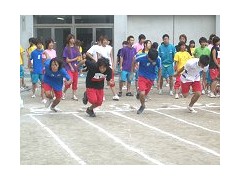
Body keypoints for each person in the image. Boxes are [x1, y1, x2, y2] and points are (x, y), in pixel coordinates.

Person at [134, 48, 161, 114]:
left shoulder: (158, 59)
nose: (152, 61)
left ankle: (139, 92)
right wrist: (133, 69)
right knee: (142, 93)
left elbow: (160, 69)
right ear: (148, 56)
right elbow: (134, 60)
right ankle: (142, 106)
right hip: (142, 76)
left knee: (144, 94)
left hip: (151, 78)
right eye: (151, 59)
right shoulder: (141, 57)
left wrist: (158, 81)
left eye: (153, 60)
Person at [96, 35, 119, 101]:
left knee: (111, 81)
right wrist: (99, 67)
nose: (105, 41)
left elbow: (111, 57)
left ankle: (115, 95)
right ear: (101, 41)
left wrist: (113, 66)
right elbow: (98, 58)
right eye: (104, 40)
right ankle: (102, 95)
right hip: (101, 66)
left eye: (106, 40)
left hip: (109, 66)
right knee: (101, 81)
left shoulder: (110, 48)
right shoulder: (98, 48)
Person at [62, 34, 81, 100]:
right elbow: (67, 60)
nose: (73, 40)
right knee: (70, 80)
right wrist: (72, 64)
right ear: (69, 39)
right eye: (71, 38)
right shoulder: (66, 48)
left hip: (75, 67)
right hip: (69, 67)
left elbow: (78, 57)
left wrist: (75, 64)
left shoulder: (76, 48)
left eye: (73, 38)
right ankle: (63, 93)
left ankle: (74, 95)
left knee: (75, 81)